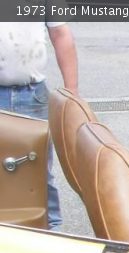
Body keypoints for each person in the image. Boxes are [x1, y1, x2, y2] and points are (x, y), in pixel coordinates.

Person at [0, 21, 78, 230]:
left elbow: (60, 34)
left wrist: (71, 95)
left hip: (32, 95)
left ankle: (52, 230)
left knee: (38, 169)